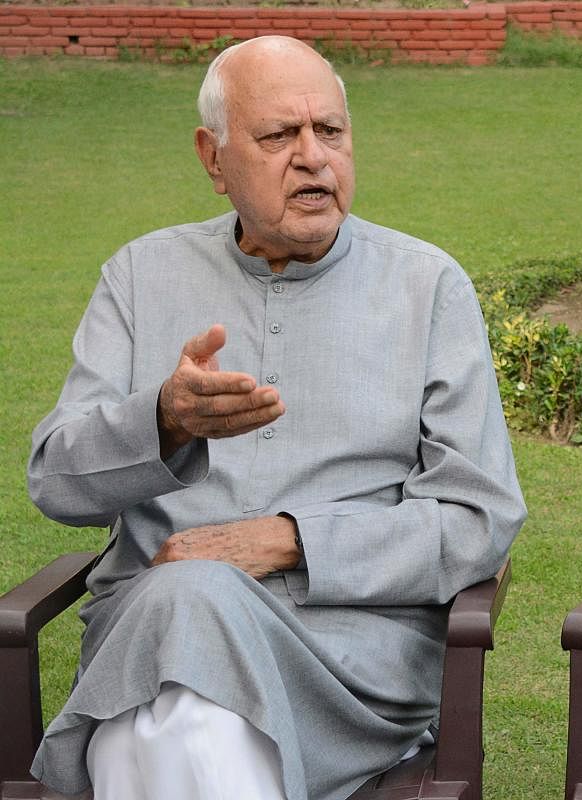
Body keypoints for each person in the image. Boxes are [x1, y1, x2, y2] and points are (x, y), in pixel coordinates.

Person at [26, 35, 526, 800]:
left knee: (155, 725)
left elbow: (478, 518)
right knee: (184, 668)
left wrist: (289, 541)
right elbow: (56, 481)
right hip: (150, 632)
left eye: (329, 131)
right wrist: (161, 420)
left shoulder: (427, 288)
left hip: (346, 659)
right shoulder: (140, 275)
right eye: (278, 136)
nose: (313, 157)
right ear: (213, 158)